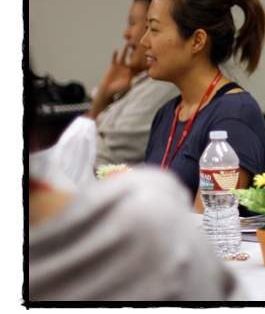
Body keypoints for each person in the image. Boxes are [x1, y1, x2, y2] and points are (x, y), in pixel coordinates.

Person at [26, 71, 246, 301]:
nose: (142, 47)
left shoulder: (232, 111)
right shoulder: (165, 114)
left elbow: (106, 147)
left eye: (153, 33)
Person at [142, 0, 265, 212]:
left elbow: (210, 221)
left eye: (154, 29)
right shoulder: (166, 114)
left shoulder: (235, 115)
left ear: (197, 41)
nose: (144, 41)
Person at [86, 0, 179, 169]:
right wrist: (104, 95)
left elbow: (107, 158)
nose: (126, 33)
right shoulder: (140, 80)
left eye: (132, 23)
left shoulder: (164, 84)